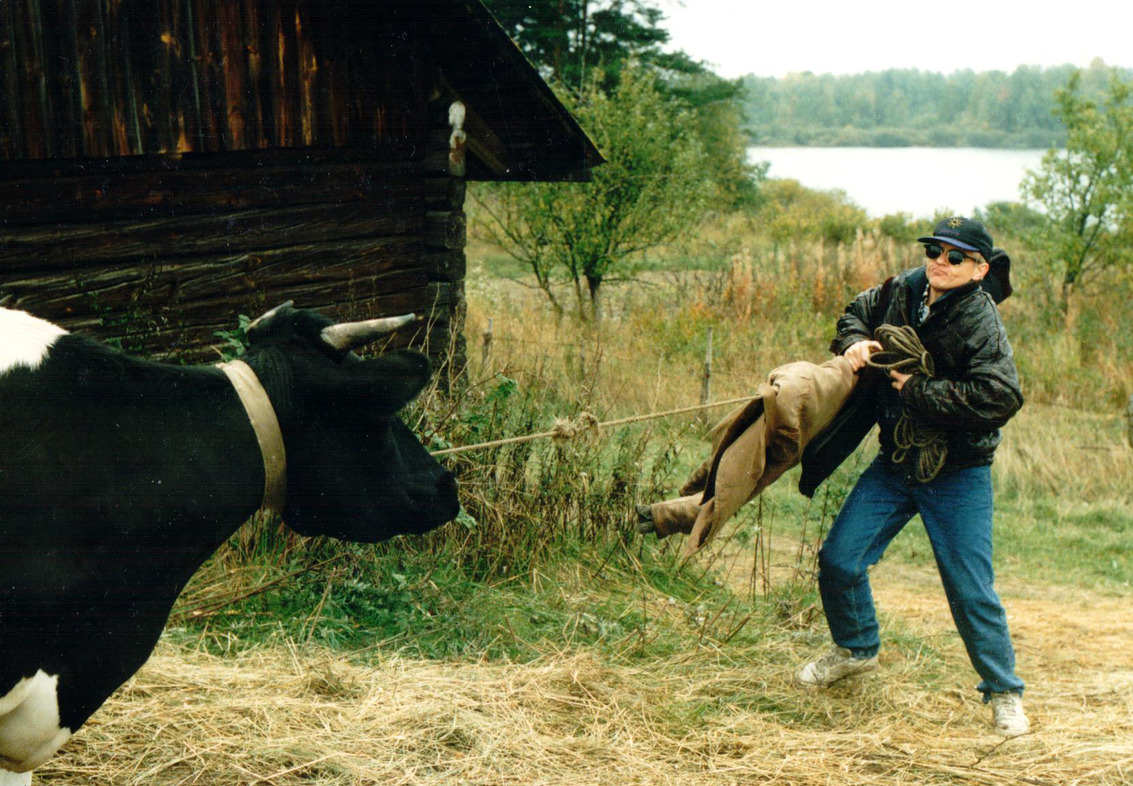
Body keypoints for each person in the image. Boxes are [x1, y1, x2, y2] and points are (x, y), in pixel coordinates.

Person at [795, 216, 1029, 738]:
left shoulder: (981, 321)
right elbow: (856, 312)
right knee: (839, 559)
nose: (939, 263)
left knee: (970, 590)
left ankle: (1005, 694)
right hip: (896, 461)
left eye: (954, 257)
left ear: (979, 269)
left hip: (958, 472)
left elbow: (1002, 397)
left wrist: (916, 391)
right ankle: (855, 649)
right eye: (934, 250)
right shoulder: (904, 288)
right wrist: (855, 342)